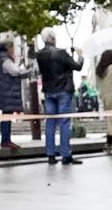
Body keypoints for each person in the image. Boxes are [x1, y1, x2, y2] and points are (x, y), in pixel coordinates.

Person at [34, 34, 84, 166]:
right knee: (64, 122)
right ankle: (66, 154)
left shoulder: (40, 55)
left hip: (49, 91)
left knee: (50, 122)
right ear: (52, 39)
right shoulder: (61, 53)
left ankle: (50, 154)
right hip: (63, 90)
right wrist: (79, 55)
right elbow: (77, 66)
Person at [0, 38, 27, 150]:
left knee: (7, 116)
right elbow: (15, 72)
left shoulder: (2, 60)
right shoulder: (6, 61)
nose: (13, 50)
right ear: (9, 49)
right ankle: (6, 140)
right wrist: (25, 70)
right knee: (7, 117)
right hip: (7, 94)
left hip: (4, 93)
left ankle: (6, 140)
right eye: (13, 48)